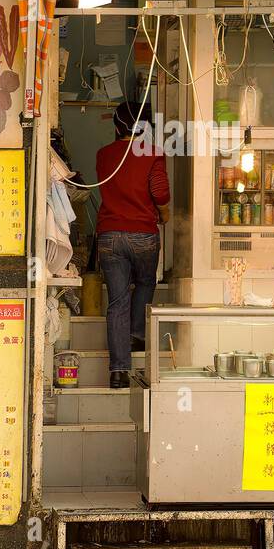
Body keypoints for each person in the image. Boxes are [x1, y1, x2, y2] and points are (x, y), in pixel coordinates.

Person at [95, 102, 169, 389]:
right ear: (144, 127)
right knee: (146, 283)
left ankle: (118, 372)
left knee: (117, 302)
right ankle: (136, 332)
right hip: (143, 235)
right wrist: (164, 214)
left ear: (116, 126)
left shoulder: (103, 155)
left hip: (110, 235)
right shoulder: (153, 153)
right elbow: (160, 194)